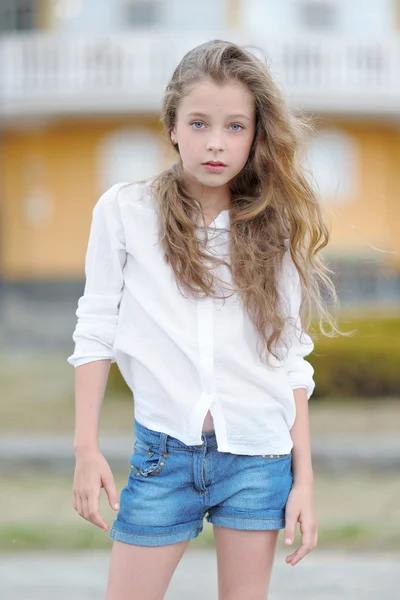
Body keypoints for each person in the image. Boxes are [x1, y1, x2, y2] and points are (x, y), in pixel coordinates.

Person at [67, 39, 341, 600]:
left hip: (258, 459)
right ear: (171, 125)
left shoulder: (275, 225)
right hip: (163, 455)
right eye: (198, 123)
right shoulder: (124, 211)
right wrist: (85, 447)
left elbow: (289, 356)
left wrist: (304, 480)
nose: (216, 143)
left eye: (235, 127)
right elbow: (95, 331)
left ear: (256, 135)